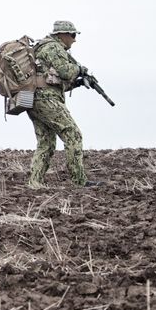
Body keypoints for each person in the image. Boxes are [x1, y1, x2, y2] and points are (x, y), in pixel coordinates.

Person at [26, 20, 98, 188]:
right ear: (62, 34)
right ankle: (79, 181)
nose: (74, 39)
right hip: (47, 100)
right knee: (73, 134)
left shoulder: (44, 47)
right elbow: (65, 71)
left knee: (46, 142)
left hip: (36, 99)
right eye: (72, 35)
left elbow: (52, 82)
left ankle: (35, 183)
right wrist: (80, 69)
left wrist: (78, 82)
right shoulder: (53, 47)